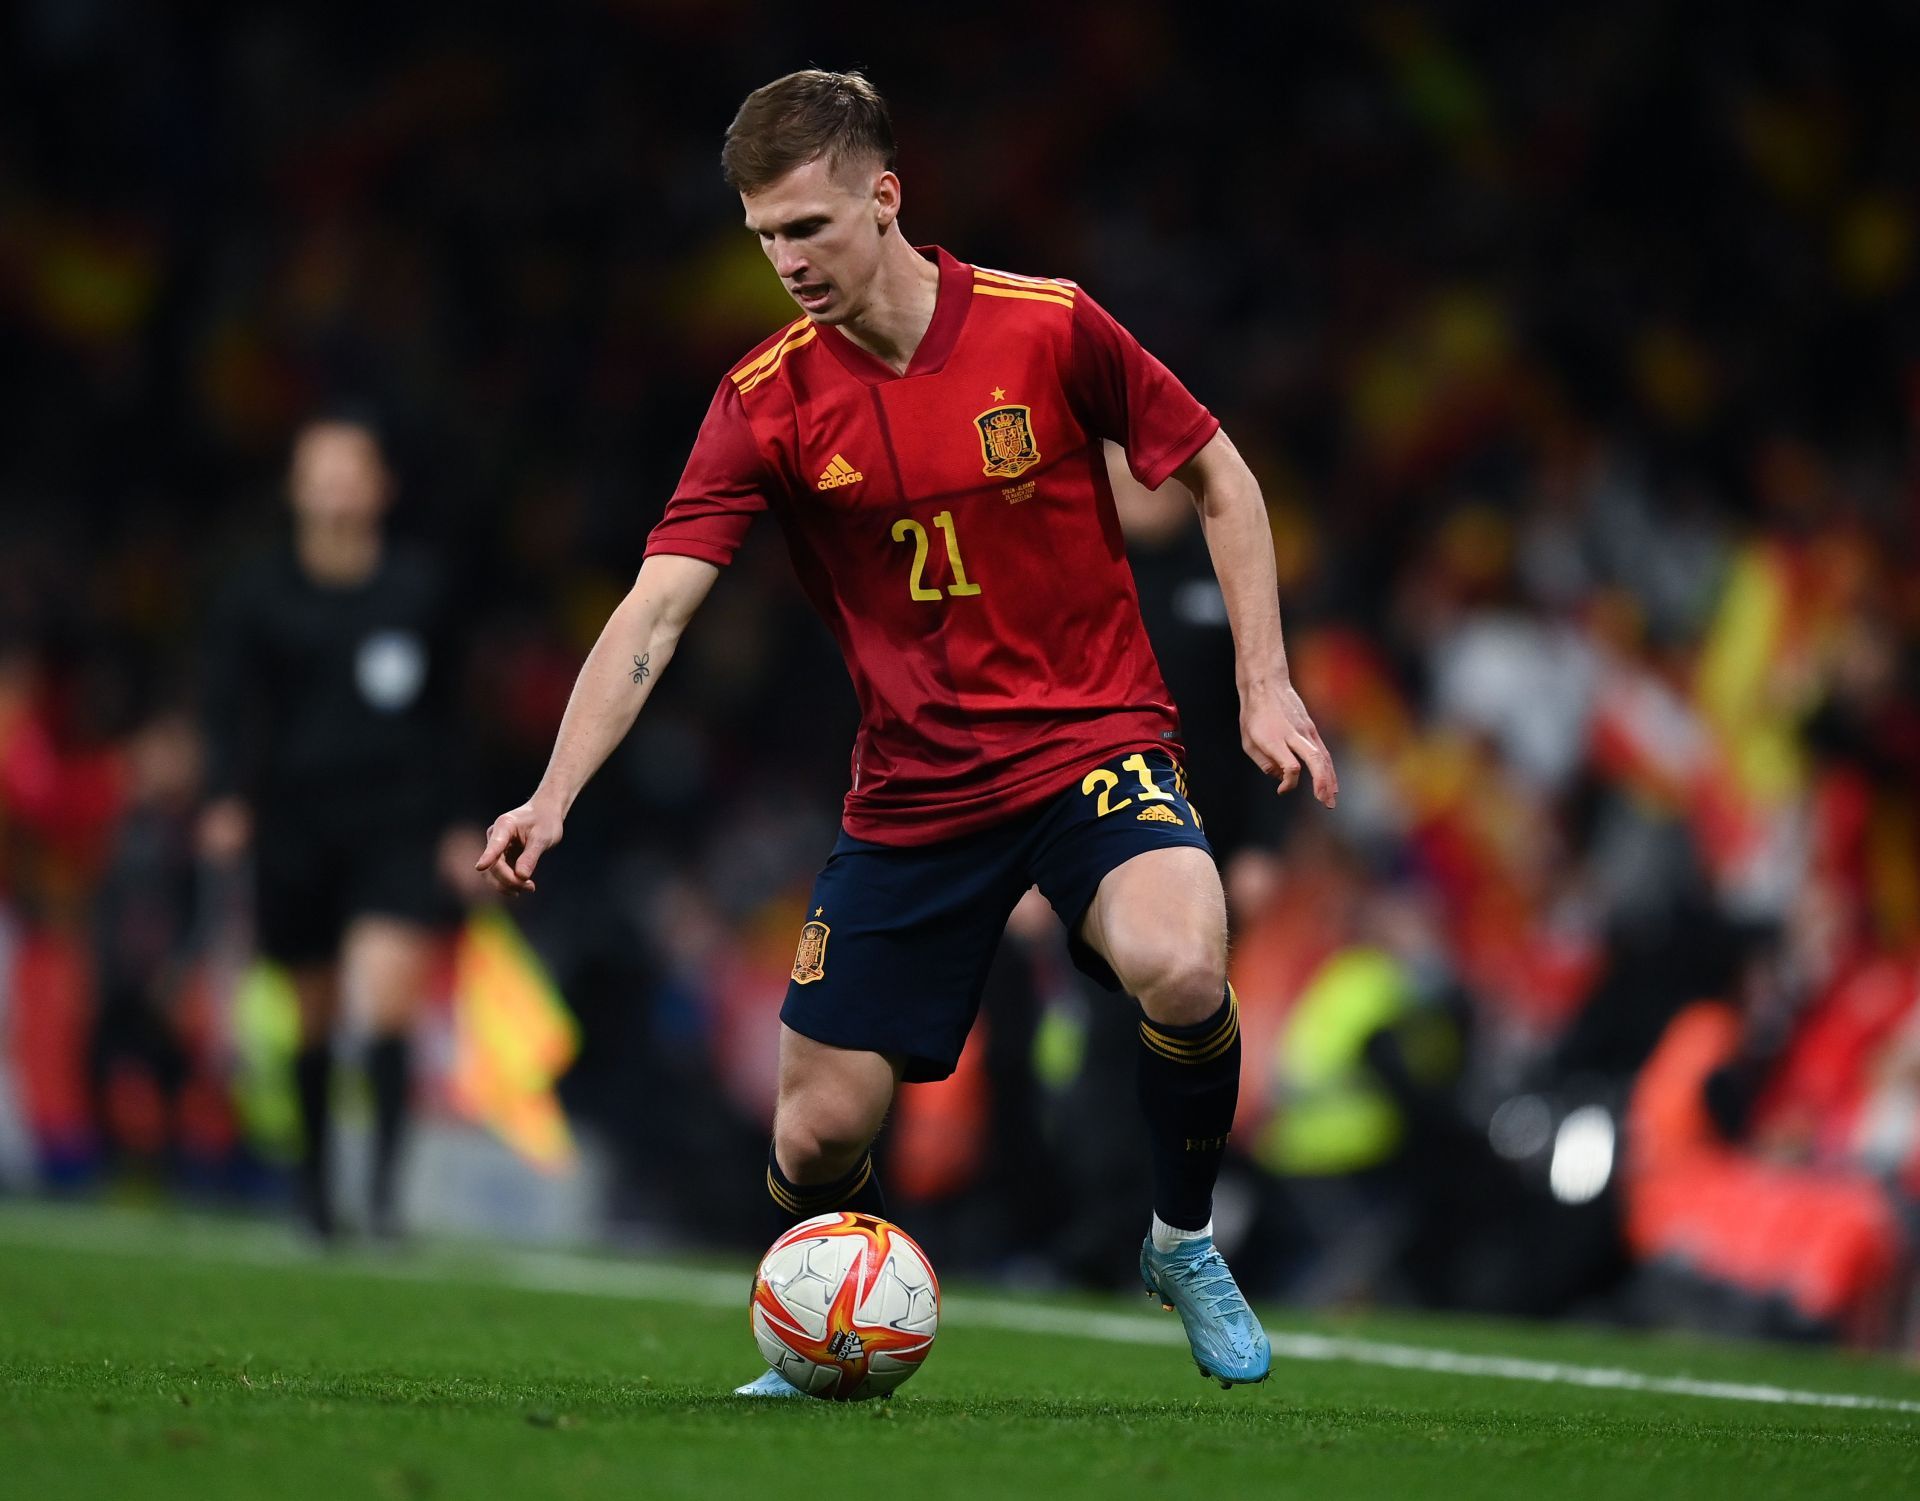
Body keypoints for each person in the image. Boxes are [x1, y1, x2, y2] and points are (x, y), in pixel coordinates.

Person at [477, 70, 1337, 1393]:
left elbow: (1219, 475)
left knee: (1179, 960)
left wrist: (1263, 684)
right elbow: (654, 611)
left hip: (1089, 744)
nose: (788, 260)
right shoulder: (764, 400)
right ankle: (827, 1311)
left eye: (811, 225)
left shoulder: (1047, 329)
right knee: (818, 1134)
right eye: (765, 234)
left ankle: (1180, 1239)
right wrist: (554, 793)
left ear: (886, 196)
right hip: (914, 795)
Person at [202, 412, 477, 1241]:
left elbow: (453, 716)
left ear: (381, 487)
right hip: (293, 821)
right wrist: (226, 797)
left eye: (350, 468)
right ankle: (317, 1194)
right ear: (294, 486)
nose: (335, 485)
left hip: (395, 818)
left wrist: (463, 822)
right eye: (319, 469)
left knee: (385, 1002)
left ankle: (386, 1197)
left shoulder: (419, 588)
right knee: (314, 1011)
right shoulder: (256, 591)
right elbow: (227, 706)